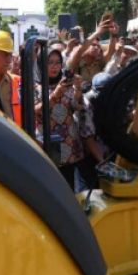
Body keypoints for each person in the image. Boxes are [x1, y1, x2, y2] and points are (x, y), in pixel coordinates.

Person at [35, 47, 102, 190]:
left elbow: (75, 107)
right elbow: (36, 111)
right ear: (41, 64)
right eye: (50, 62)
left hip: (70, 145)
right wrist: (55, 95)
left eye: (58, 63)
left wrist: (77, 89)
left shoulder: (66, 84)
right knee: (52, 189)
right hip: (49, 145)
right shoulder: (35, 87)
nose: (55, 67)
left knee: (70, 189)